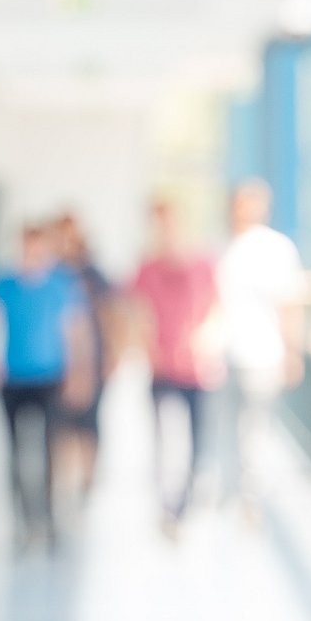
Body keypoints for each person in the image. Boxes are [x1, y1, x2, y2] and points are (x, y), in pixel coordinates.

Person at [0, 225, 92, 546]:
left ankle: (48, 520)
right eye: (28, 249)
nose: (33, 256)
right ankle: (22, 521)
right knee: (15, 452)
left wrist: (79, 372)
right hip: (13, 379)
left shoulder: (62, 284)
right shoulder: (2, 283)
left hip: (50, 378)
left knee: (48, 450)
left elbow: (75, 331)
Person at [213, 179, 305, 518]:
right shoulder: (220, 247)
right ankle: (228, 489)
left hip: (263, 354)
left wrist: (292, 352)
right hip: (223, 355)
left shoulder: (277, 249)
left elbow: (290, 305)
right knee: (225, 426)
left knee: (255, 429)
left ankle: (250, 497)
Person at [130, 198, 218, 531]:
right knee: (164, 440)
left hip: (196, 369)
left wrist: (204, 342)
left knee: (196, 439)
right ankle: (167, 506)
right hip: (161, 368)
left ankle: (187, 502)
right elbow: (136, 311)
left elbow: (216, 308)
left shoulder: (203, 265)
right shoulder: (147, 268)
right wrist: (145, 348)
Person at [51, 213, 116, 500]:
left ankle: (88, 478)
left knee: (88, 421)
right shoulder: (51, 273)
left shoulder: (94, 276)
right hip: (58, 362)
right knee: (61, 423)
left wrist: (113, 353)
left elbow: (110, 315)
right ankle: (65, 478)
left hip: (93, 359)